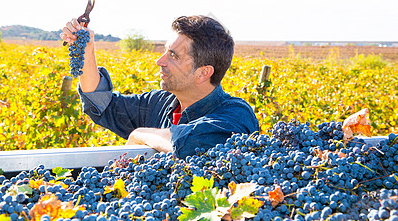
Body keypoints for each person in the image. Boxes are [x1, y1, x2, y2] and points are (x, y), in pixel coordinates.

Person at [61, 15, 259, 158]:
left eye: (173, 55)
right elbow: (102, 105)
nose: (159, 61)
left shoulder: (237, 114)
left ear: (203, 73)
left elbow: (192, 144)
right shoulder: (160, 102)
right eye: (165, 51)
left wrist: (138, 134)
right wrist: (87, 49)